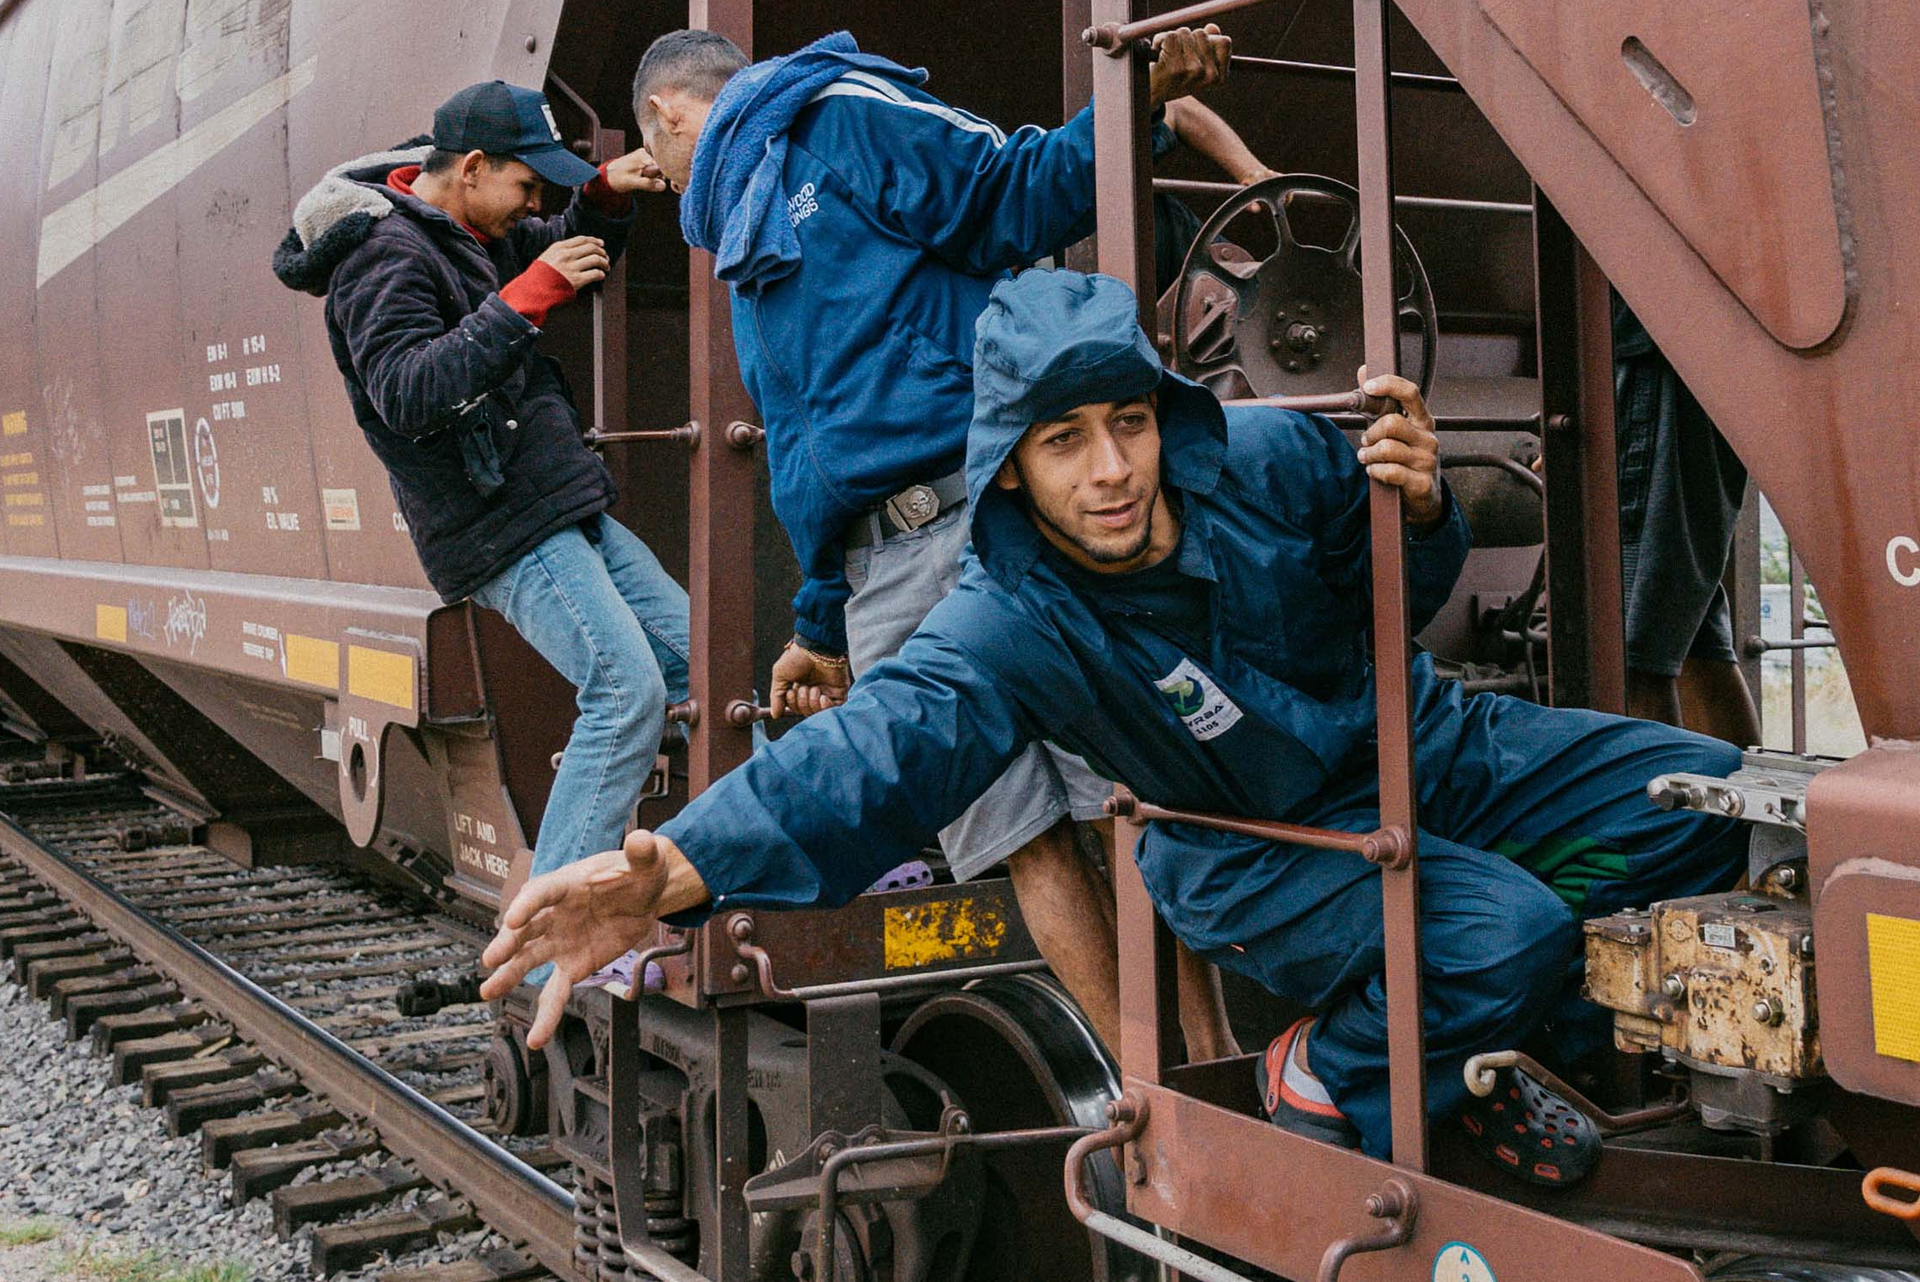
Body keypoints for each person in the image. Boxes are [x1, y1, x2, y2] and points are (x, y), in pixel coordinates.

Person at [479, 270, 1749, 1179]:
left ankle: (1511, 1060)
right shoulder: (1010, 617)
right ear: (1011, 468)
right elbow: (879, 750)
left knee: (1707, 805)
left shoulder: (1268, 458)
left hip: (1428, 746)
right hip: (1255, 841)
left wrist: (1423, 522)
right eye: (1065, 440)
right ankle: (1322, 1075)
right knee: (1503, 935)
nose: (1112, 471)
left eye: (1130, 423)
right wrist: (685, 870)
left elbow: (1386, 606)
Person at [628, 27, 1237, 1058]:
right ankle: (1149, 1091)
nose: (664, 180)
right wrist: (821, 621)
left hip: (992, 517)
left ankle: (1215, 1066)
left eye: (660, 157)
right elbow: (812, 457)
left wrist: (1129, 108)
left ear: (673, 117)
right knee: (1018, 833)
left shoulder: (839, 115)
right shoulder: (746, 231)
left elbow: (1007, 191)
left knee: (1117, 798)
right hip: (889, 565)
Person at [273, 81, 691, 904]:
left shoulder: (461, 226)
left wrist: (601, 199)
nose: (536, 203)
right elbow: (407, 392)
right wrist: (527, 296)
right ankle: (552, 934)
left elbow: (548, 243)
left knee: (693, 663)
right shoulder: (381, 258)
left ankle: (700, 878)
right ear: (470, 167)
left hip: (557, 501)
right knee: (624, 689)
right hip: (499, 524)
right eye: (527, 185)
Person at [1613, 298, 1762, 747]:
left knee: (1630, 652)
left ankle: (1663, 818)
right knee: (1689, 635)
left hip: (1650, 356)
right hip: (1681, 350)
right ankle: (1750, 819)